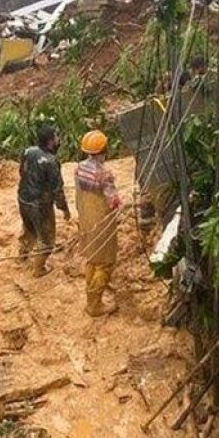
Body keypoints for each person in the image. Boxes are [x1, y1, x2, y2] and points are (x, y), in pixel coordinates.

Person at [76, 130, 121, 317]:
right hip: (102, 223)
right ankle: (94, 304)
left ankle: (91, 291)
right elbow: (113, 202)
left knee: (92, 258)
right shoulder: (104, 174)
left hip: (86, 220)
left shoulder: (79, 168)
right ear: (104, 149)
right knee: (105, 263)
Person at [17, 125, 70, 278]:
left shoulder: (28, 151)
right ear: (50, 141)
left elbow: (22, 172)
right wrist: (64, 208)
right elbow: (57, 189)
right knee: (47, 239)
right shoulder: (51, 161)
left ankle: (22, 255)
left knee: (29, 228)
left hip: (23, 198)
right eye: (56, 137)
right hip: (40, 204)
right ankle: (38, 269)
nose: (59, 139)